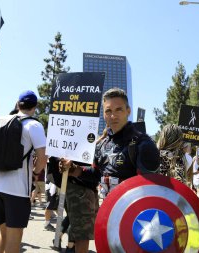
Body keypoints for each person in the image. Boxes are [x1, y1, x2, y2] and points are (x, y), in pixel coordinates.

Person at [59, 87, 160, 253]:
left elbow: (151, 191)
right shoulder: (101, 144)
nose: (113, 116)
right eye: (108, 111)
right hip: (108, 217)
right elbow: (96, 175)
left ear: (128, 111)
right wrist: (74, 170)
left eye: (119, 109)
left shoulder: (144, 144)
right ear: (103, 114)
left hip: (137, 223)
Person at [0, 90, 47, 253]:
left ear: (18, 104)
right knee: (14, 237)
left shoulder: (1, 120)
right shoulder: (34, 125)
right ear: (35, 106)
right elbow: (43, 158)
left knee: (3, 235)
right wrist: (35, 173)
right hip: (17, 188)